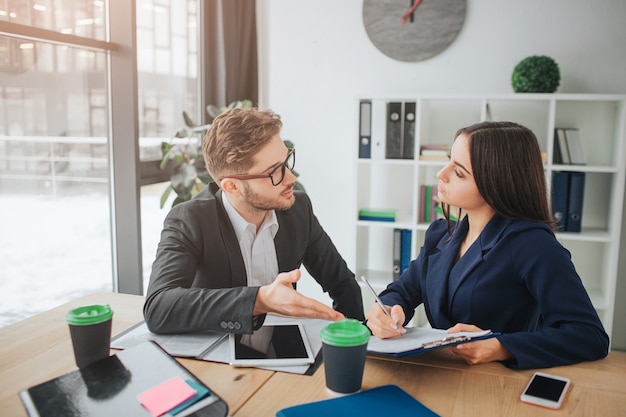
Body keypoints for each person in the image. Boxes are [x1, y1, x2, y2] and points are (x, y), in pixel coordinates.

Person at [365, 121, 609, 369]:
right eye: (449, 161)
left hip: (496, 385)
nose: (441, 174)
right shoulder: (441, 234)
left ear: (496, 184)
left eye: (459, 172)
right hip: (440, 373)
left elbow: (589, 335)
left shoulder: (533, 245)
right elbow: (403, 291)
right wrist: (386, 310)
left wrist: (501, 346)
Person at [144, 107, 364, 334]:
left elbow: (342, 284)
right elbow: (158, 307)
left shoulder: (298, 209)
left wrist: (357, 340)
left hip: (282, 352)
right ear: (232, 186)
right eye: (274, 172)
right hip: (216, 357)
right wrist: (259, 300)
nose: (290, 178)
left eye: (286, 162)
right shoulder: (190, 219)